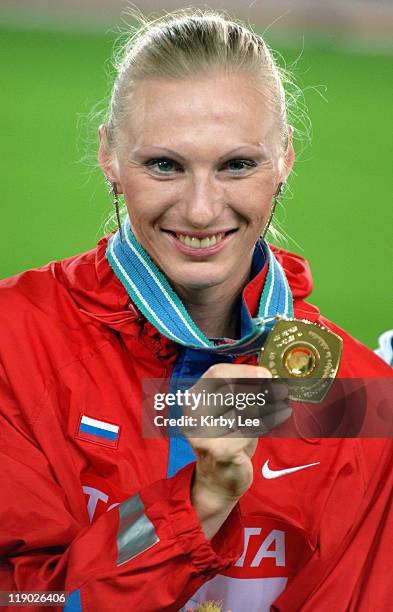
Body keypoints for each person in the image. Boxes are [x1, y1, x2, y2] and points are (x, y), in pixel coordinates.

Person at [0, 10, 392, 612]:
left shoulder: (357, 396)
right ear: (109, 155)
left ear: (285, 157)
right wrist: (196, 501)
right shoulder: (14, 346)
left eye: (238, 164)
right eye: (165, 164)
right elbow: (28, 600)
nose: (203, 211)